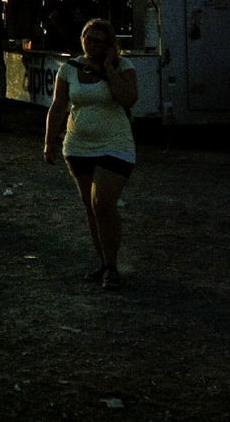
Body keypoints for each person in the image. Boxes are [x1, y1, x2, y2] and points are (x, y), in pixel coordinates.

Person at [43, 18, 138, 291]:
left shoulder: (123, 66)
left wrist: (109, 68)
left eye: (98, 39)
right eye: (87, 37)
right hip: (78, 145)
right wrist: (49, 142)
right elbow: (59, 106)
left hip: (115, 144)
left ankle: (111, 266)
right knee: (90, 205)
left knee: (103, 203)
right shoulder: (70, 68)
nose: (91, 43)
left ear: (109, 44)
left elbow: (129, 99)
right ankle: (103, 261)